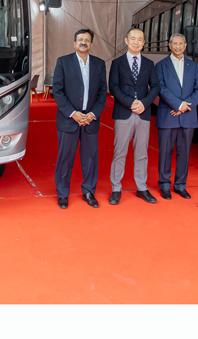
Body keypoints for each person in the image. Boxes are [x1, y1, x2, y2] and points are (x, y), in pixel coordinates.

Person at [51, 28, 108, 209]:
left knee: (90, 159)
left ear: (91, 44)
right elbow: (57, 91)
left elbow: (103, 93)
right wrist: (72, 113)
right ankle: (62, 194)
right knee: (65, 159)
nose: (84, 42)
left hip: (90, 120)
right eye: (80, 39)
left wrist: (92, 114)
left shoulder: (99, 64)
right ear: (74, 43)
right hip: (69, 120)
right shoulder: (63, 62)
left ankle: (89, 192)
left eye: (87, 40)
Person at [108, 27, 160, 205]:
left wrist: (144, 103)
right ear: (126, 41)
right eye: (133, 39)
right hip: (124, 112)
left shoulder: (149, 64)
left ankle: (141, 187)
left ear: (144, 43)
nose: (136, 42)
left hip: (143, 113)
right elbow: (113, 87)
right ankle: (116, 188)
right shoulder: (117, 63)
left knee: (142, 153)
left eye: (140, 39)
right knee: (120, 152)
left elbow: (155, 87)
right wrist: (130, 103)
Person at [155, 33, 198, 199]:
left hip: (187, 117)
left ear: (185, 45)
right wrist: (178, 105)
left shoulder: (193, 66)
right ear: (169, 45)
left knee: (184, 153)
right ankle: (164, 185)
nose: (177, 46)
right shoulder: (161, 65)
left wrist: (184, 107)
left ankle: (180, 185)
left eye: (180, 44)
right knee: (165, 153)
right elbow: (160, 88)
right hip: (167, 115)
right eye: (174, 43)